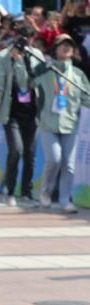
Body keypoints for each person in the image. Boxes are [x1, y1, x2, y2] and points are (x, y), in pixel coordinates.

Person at [0, 24, 46, 207]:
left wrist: (23, 62)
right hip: (11, 111)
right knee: (16, 150)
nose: (24, 43)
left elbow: (38, 82)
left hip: (32, 112)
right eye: (21, 38)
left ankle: (27, 192)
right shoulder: (2, 57)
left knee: (30, 153)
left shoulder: (37, 56)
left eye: (28, 39)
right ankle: (10, 190)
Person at [33, 34, 90, 212]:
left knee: (69, 164)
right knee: (54, 160)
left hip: (70, 125)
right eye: (62, 45)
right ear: (55, 49)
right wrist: (41, 67)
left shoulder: (79, 75)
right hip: (48, 124)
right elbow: (28, 81)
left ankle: (65, 200)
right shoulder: (46, 70)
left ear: (73, 52)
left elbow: (86, 98)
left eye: (69, 46)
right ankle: (45, 194)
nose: (66, 48)